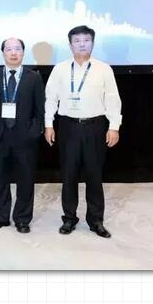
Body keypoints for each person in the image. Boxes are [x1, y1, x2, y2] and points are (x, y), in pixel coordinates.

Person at [45, 25, 121, 238]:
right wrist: (48, 124)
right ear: (70, 45)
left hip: (95, 127)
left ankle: (96, 220)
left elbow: (113, 99)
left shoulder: (104, 69)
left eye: (86, 40)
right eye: (77, 41)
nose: (82, 44)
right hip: (68, 127)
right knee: (68, 175)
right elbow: (50, 98)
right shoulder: (60, 68)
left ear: (93, 43)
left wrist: (114, 127)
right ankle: (69, 218)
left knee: (94, 175)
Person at [0, 38, 44, 234]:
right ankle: (0, 216)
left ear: (23, 52)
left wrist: (35, 131)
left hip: (25, 137)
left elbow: (40, 108)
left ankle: (22, 219)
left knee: (25, 179)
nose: (13, 52)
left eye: (17, 49)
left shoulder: (34, 77)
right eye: (9, 49)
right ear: (3, 53)